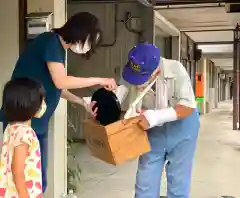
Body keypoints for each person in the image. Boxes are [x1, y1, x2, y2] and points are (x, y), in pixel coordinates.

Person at [0, 12, 116, 193]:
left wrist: (82, 102)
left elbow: (57, 88)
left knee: (35, 178)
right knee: (22, 178)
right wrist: (99, 80)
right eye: (90, 40)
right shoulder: (50, 42)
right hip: (23, 122)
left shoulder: (57, 49)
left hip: (37, 121)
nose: (88, 46)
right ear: (80, 32)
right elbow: (61, 81)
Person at [117, 43, 200, 198]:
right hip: (152, 130)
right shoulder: (132, 70)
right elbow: (121, 91)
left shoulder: (176, 70)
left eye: (141, 78)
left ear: (156, 72)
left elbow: (187, 107)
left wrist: (155, 117)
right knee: (145, 182)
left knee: (178, 180)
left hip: (182, 128)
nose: (136, 82)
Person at [0, 78, 46, 198]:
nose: (43, 105)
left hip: (10, 192)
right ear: (29, 104)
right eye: (41, 101)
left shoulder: (10, 128)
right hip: (23, 193)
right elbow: (17, 170)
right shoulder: (25, 133)